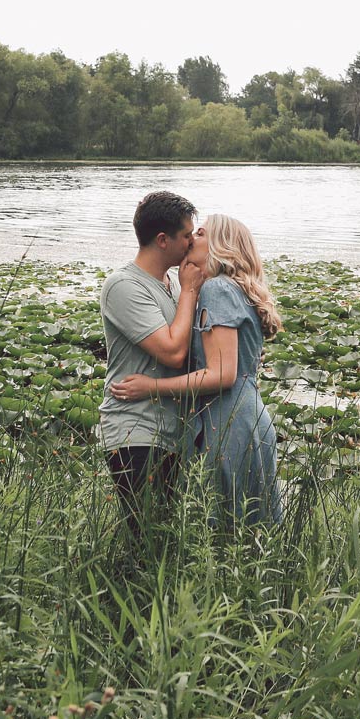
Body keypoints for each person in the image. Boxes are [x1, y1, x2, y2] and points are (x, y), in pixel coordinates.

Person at [111, 213, 283, 527]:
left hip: (228, 420)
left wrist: (151, 387)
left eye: (200, 233)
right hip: (247, 415)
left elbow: (222, 374)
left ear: (221, 245)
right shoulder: (233, 289)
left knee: (224, 526)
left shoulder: (217, 290)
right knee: (250, 527)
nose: (191, 239)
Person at [97, 190, 204, 537]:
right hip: (135, 430)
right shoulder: (124, 286)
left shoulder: (171, 284)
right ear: (162, 240)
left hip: (174, 433)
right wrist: (190, 291)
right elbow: (172, 352)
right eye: (186, 235)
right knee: (147, 541)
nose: (192, 242)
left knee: (168, 539)